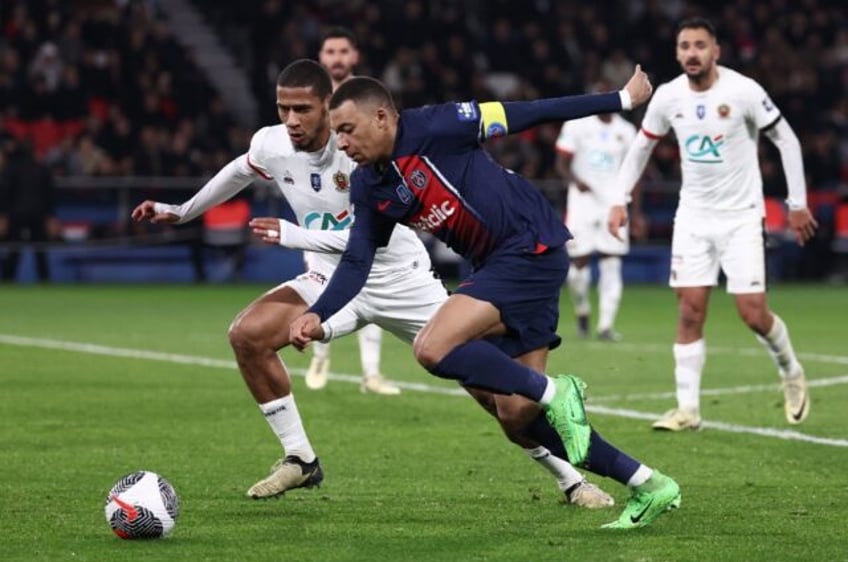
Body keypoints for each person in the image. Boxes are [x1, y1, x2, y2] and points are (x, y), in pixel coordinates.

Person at [133, 59, 612, 508]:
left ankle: (572, 479)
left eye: (303, 109)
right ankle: (301, 459)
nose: (292, 119)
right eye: (284, 108)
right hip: (329, 280)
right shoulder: (271, 144)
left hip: (401, 277)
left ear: (328, 106)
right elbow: (238, 171)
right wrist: (182, 211)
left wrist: (295, 235)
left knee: (496, 396)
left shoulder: (361, 151)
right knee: (247, 335)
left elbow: (364, 244)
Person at [290, 68, 682, 529]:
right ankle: (648, 483)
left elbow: (528, 114)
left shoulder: (438, 125)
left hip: (527, 246)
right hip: (499, 267)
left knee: (433, 347)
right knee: (516, 414)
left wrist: (618, 99)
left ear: (382, 117)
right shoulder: (369, 185)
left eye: (347, 130)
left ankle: (560, 392)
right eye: (336, 133)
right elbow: (357, 261)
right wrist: (318, 313)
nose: (341, 143)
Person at [607, 17, 818, 431]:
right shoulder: (668, 97)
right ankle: (688, 409)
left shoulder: (743, 91)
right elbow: (640, 149)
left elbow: (787, 140)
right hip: (693, 218)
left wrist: (797, 204)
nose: (692, 53)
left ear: (716, 51)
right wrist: (619, 199)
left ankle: (791, 370)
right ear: (677, 53)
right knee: (689, 311)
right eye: (684, 46)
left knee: (753, 314)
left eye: (700, 45)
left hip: (741, 218)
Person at [306, 25, 394, 394]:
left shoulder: (369, 96)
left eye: (344, 51)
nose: (337, 58)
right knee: (323, 284)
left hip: (363, 198)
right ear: (321, 57)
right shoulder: (307, 98)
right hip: (320, 206)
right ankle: (320, 354)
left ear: (354, 56)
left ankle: (371, 373)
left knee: (370, 281)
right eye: (330, 52)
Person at [555, 80, 641, 341]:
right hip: (582, 202)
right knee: (578, 264)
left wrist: (635, 212)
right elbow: (561, 163)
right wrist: (574, 180)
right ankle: (582, 308)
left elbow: (635, 171)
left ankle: (605, 326)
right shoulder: (576, 124)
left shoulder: (626, 130)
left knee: (611, 262)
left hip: (614, 202)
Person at [0, 139, 61, 282]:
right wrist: (51, 216)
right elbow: (50, 195)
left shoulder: (10, 168)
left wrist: (3, 215)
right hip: (38, 214)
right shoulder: (42, 168)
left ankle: (8, 282)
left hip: (17, 214)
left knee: (14, 250)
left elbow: (4, 193)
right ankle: (44, 281)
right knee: (40, 251)